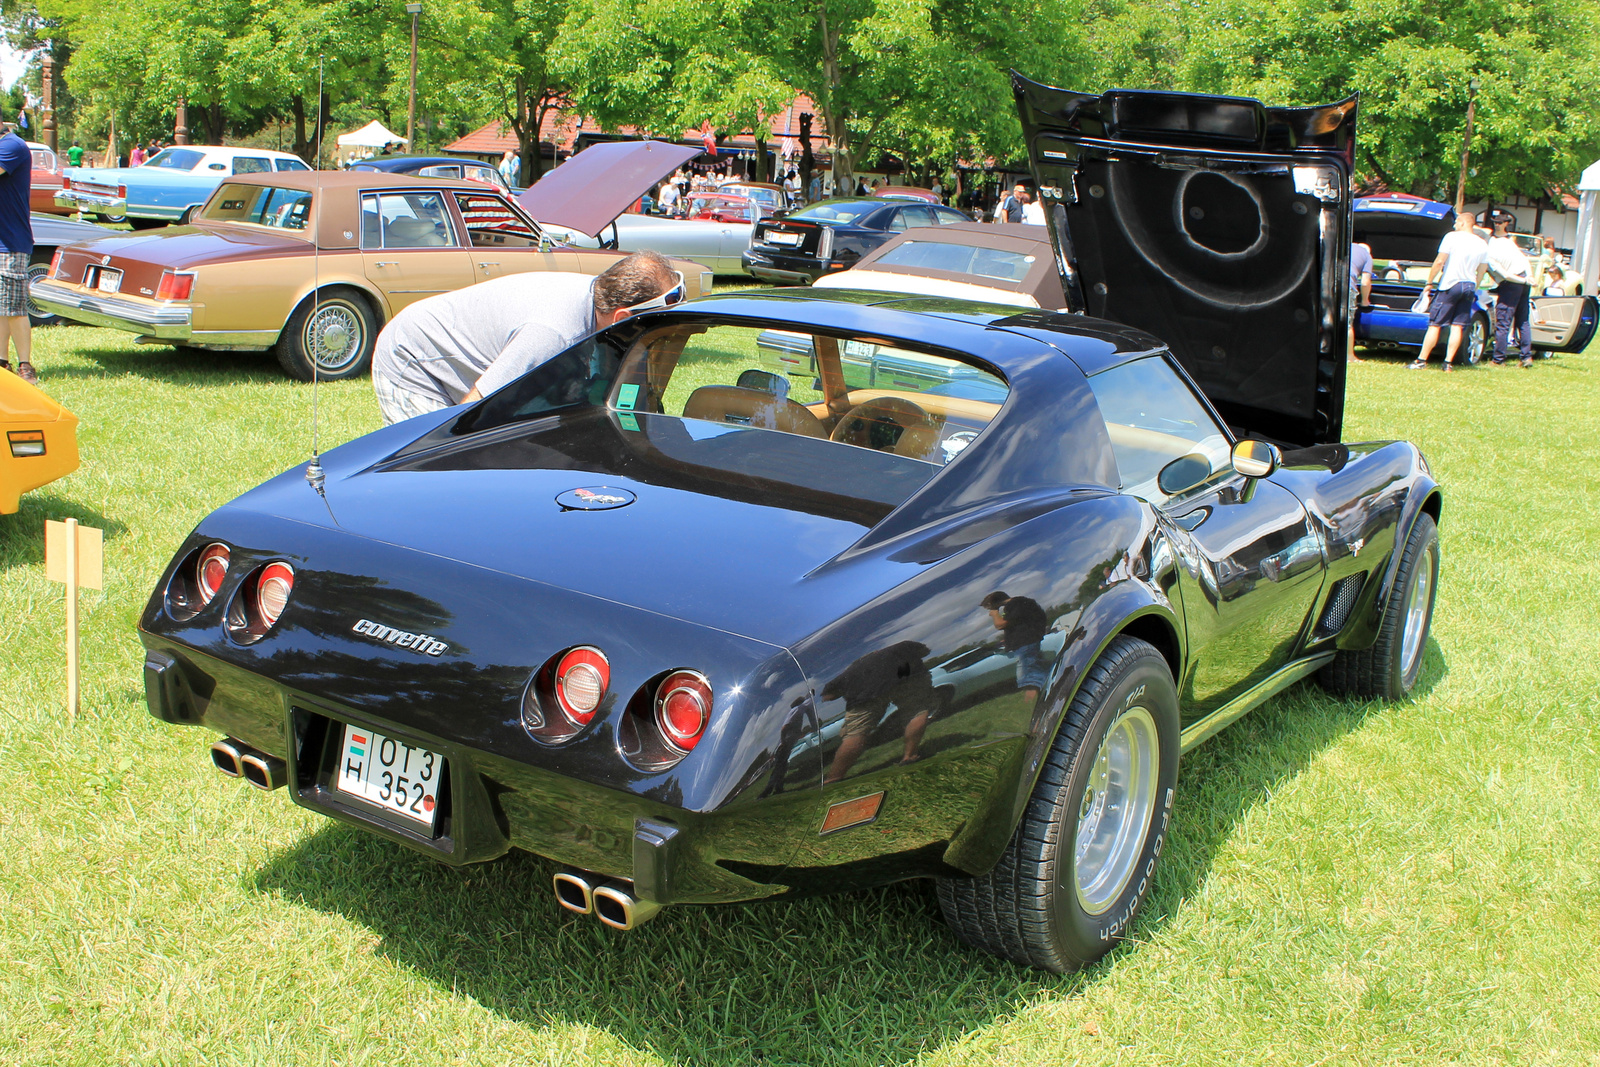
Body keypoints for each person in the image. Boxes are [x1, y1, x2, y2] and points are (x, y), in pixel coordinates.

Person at [371, 250, 683, 424]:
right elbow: (476, 409)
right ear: (623, 319)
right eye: (651, 329)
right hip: (414, 356)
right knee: (429, 464)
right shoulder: (553, 335)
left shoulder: (598, 297)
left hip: (473, 350)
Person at [1408, 210, 1488, 371]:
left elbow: (1439, 261)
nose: (1454, 225)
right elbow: (1482, 269)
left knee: (1435, 324)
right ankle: (1448, 363)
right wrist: (1475, 286)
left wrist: (1429, 282)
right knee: (1457, 325)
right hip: (1469, 285)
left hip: (1450, 284)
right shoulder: (1482, 243)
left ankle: (1421, 360)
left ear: (1464, 223)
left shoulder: (1452, 237)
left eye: (1457, 222)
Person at [0, 117, 34, 383]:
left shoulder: (12, 145)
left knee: (14, 308)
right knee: (1, 308)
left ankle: (26, 365)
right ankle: (2, 362)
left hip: (11, 242)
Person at [980, 591, 1048, 709]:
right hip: (1028, 643)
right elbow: (1020, 623)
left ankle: (1039, 705)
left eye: (989, 607)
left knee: (1030, 678)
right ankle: (1045, 699)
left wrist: (995, 613)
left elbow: (1000, 624)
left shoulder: (1016, 603)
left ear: (994, 602)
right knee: (1033, 672)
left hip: (1025, 645)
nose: (990, 610)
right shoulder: (1022, 604)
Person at [1485, 209, 1534, 368]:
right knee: (1522, 320)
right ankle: (1526, 357)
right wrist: (1528, 279)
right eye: (1495, 222)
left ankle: (1498, 359)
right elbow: (1524, 260)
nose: (1497, 224)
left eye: (1500, 222)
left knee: (1504, 321)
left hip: (1513, 282)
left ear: (1506, 223)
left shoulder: (1493, 247)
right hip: (1522, 281)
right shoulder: (1506, 241)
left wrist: (1527, 278)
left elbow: (1505, 275)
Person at [1347, 240, 1373, 363]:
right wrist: (1364, 300)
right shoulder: (1366, 255)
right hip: (1347, 287)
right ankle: (1349, 356)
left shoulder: (1344, 245)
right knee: (1347, 323)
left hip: (1327, 283)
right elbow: (1365, 282)